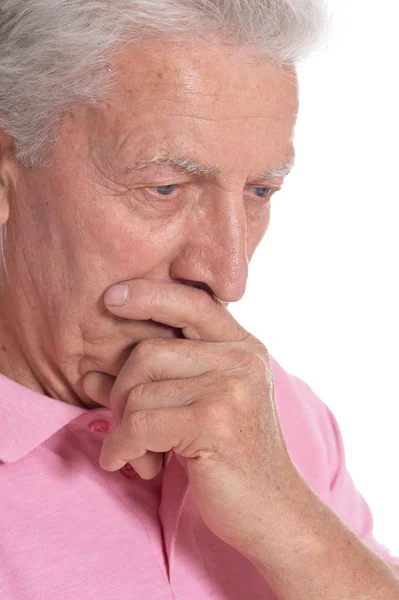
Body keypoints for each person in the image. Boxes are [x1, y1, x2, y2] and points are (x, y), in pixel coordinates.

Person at [0, 1, 398, 598]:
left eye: (261, 190)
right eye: (165, 187)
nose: (228, 275)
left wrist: (290, 520)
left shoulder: (273, 411)